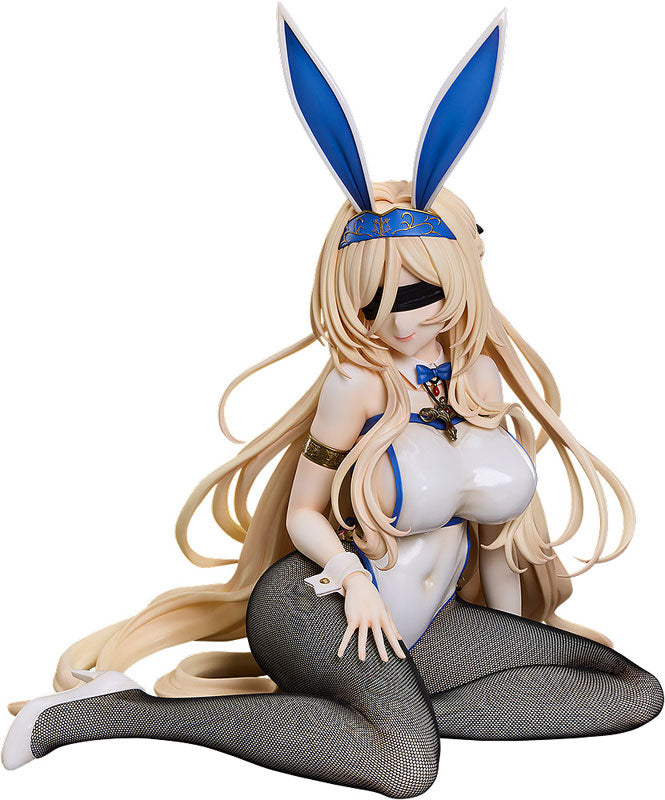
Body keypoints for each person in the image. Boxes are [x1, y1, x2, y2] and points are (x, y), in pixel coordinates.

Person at [2, 7, 662, 798]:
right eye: (374, 302)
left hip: (432, 623)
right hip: (322, 605)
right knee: (404, 767)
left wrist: (517, 638)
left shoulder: (478, 379)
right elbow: (304, 513)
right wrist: (350, 579)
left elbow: (494, 544)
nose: (400, 320)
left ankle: (368, 713)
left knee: (630, 691)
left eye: (420, 293)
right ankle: (106, 715)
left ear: (460, 276)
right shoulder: (356, 384)